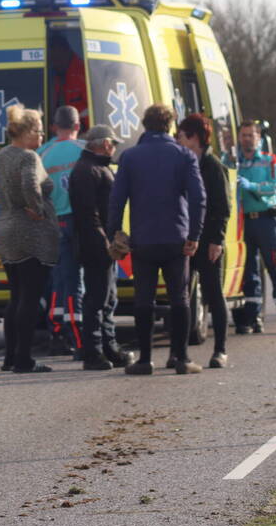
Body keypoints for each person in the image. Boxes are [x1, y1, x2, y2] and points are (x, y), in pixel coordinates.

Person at [108, 104, 205, 375]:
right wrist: (194, 235)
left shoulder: (130, 157)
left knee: (144, 300)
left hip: (144, 239)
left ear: (144, 125)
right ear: (170, 126)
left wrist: (114, 233)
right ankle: (182, 359)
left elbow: (116, 200)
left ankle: (144, 360)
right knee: (180, 299)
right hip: (177, 238)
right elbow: (199, 198)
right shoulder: (184, 156)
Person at [0, 105, 59, 373]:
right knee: (30, 298)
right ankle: (23, 359)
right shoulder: (28, 157)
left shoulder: (1, 156)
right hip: (28, 232)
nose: (42, 136)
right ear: (28, 132)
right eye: (39, 131)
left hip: (4, 228)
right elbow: (31, 184)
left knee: (16, 295)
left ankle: (10, 357)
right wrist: (39, 209)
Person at [69, 124, 135, 370]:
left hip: (102, 245)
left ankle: (109, 347)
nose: (114, 148)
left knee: (108, 299)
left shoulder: (96, 168)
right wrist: (104, 244)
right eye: (113, 144)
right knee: (96, 299)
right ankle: (93, 352)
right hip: (95, 246)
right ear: (104, 143)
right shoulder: (87, 170)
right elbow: (88, 215)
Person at [235, 121, 276, 335]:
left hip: (265, 220)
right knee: (249, 272)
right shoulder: (234, 163)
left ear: (259, 138)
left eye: (250, 135)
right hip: (244, 223)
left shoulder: (269, 161)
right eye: (243, 135)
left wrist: (252, 186)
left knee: (275, 268)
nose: (247, 139)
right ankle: (254, 317)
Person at [177, 114, 231, 369]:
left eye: (181, 135)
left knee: (213, 295)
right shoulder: (183, 163)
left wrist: (217, 240)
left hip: (208, 241)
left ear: (194, 137)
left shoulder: (213, 166)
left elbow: (222, 206)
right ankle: (179, 352)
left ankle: (220, 350)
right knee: (183, 297)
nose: (178, 140)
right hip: (185, 241)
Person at [39, 106, 85, 356]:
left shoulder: (41, 153)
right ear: (78, 126)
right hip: (78, 223)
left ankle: (55, 330)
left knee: (58, 279)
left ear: (55, 127)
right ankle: (76, 332)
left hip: (52, 223)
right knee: (76, 280)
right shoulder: (86, 149)